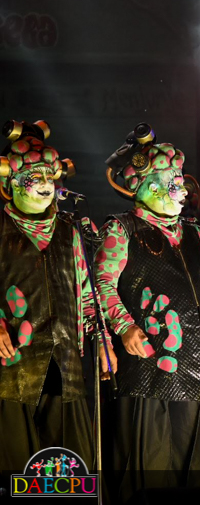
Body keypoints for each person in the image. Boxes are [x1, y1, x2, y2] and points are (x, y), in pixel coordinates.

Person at [96, 123, 200, 497]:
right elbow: (101, 284)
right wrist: (124, 326)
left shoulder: (195, 234)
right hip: (151, 365)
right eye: (169, 183)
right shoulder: (122, 229)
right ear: (144, 187)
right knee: (153, 466)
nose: (179, 191)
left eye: (179, 182)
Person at [0, 119, 116, 473]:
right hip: (13, 370)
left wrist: (103, 342)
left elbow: (88, 295)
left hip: (65, 365)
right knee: (16, 471)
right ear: (9, 184)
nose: (45, 185)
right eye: (33, 178)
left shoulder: (71, 229)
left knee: (69, 471)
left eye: (49, 177)